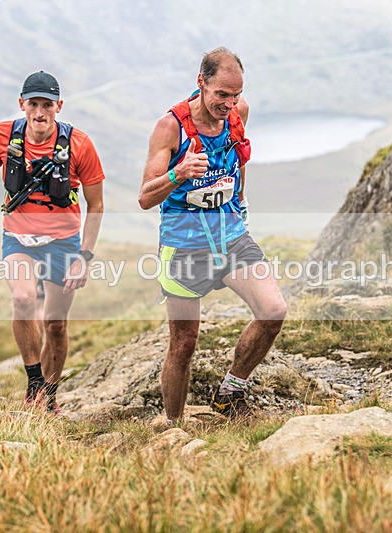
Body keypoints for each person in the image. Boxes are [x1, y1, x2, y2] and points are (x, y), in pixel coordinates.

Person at [138, 47, 287, 422]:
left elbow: (240, 160)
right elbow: (144, 197)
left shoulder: (239, 113)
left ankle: (230, 391)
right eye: (221, 95)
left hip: (231, 235)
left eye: (235, 95)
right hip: (184, 245)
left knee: (273, 311)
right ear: (200, 83)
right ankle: (174, 425)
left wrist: (239, 203)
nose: (229, 103)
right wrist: (179, 173)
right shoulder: (170, 127)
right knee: (184, 344)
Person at [0, 71, 105, 413]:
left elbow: (96, 204)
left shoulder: (81, 144)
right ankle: (34, 382)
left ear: (59, 106)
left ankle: (50, 397)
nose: (40, 113)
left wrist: (85, 256)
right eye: (33, 104)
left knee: (56, 325)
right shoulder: (1, 136)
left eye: (47, 105)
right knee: (23, 297)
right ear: (22, 104)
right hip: (19, 238)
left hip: (64, 242)